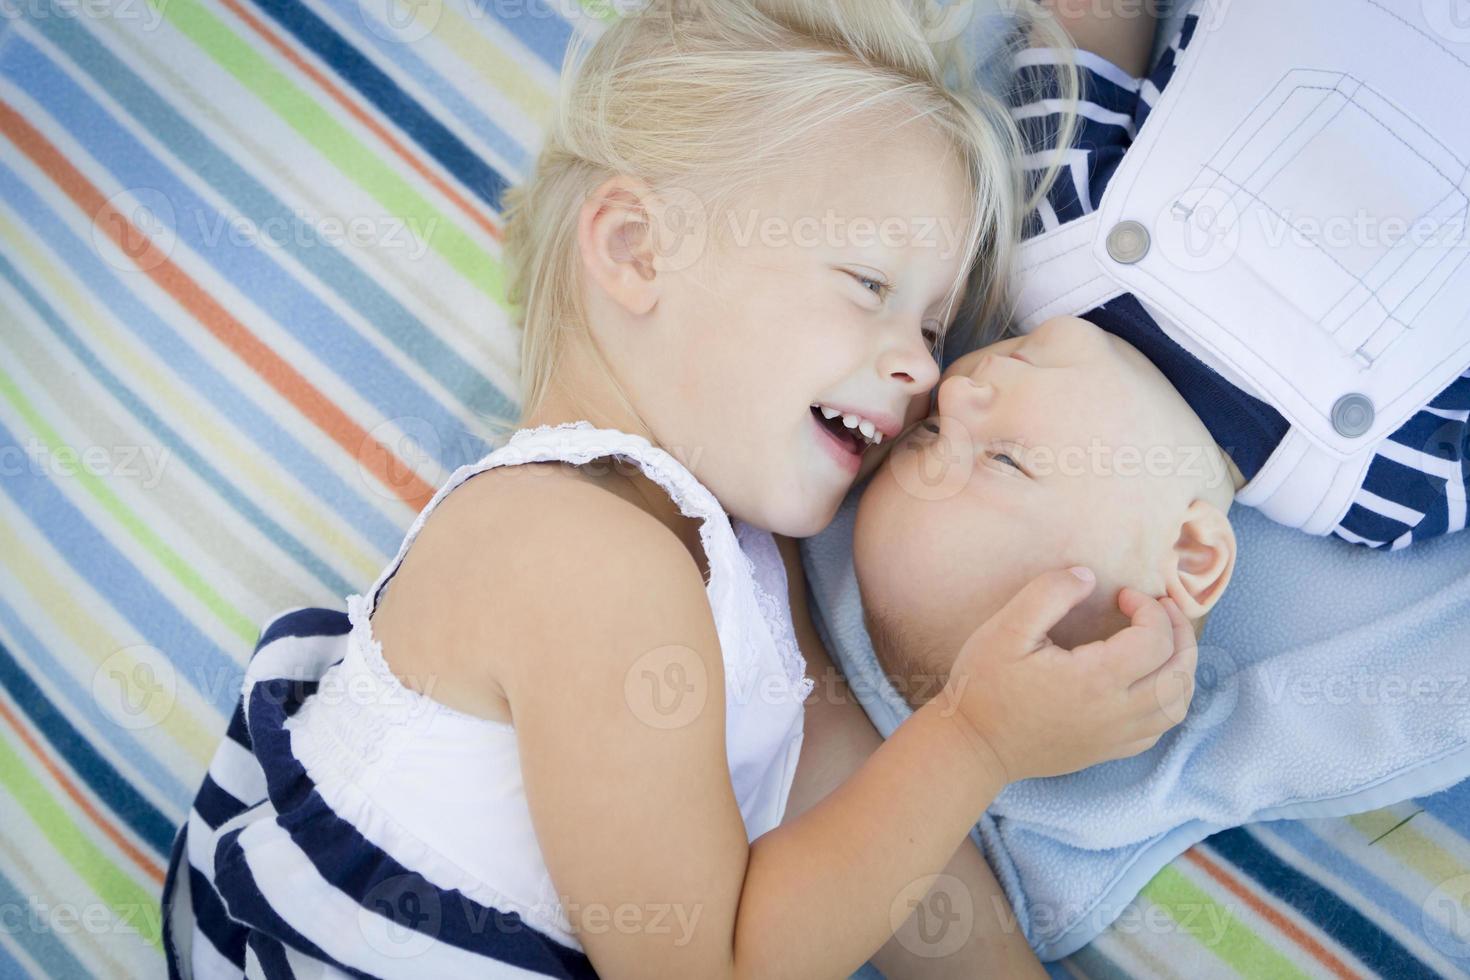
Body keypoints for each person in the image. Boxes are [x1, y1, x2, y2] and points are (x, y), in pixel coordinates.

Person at [158, 1, 1197, 977]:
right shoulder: (568, 549)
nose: (925, 369)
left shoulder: (745, 564)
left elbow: (854, 822)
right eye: (869, 286)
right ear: (637, 249)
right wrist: (978, 738)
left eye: (932, 327)